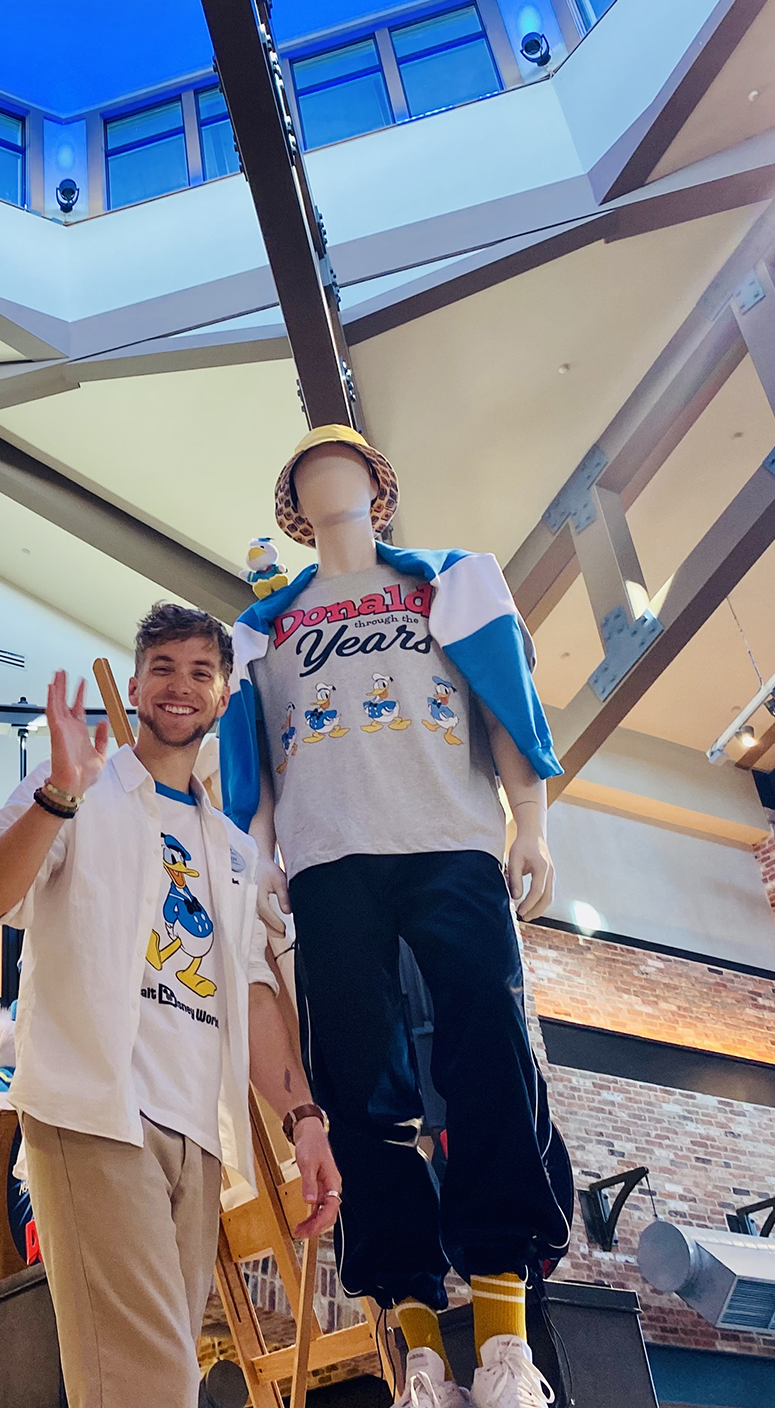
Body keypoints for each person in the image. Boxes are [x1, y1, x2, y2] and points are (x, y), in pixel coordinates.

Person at [217, 425, 575, 1408]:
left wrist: (533, 825)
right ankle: (420, 1348)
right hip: (330, 863)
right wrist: (258, 860)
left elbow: (507, 707)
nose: (328, 483)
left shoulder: (451, 583)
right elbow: (254, 762)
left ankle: (504, 1344)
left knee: (492, 1055)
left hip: (451, 840)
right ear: (292, 508)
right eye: (308, 476)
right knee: (360, 1095)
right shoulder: (261, 632)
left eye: (346, 467)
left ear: (379, 488)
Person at [0, 603, 341, 1408]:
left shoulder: (233, 850)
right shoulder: (77, 787)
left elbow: (252, 992)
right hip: (95, 1108)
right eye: (162, 668)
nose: (180, 686)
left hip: (195, 1131)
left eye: (201, 672)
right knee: (153, 1382)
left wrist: (304, 1119)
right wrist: (59, 794)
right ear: (134, 687)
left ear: (223, 697)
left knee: (140, 1376)